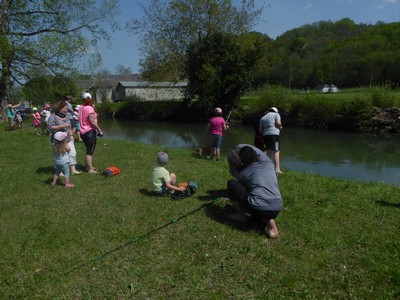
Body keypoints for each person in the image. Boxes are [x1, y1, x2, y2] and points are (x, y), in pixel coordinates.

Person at [227, 144, 283, 238]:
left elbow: (241, 189)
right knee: (258, 195)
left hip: (258, 207)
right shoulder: (269, 165)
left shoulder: (244, 174)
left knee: (232, 184)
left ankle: (241, 215)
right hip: (276, 208)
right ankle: (268, 221)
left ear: (242, 161)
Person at [47, 101, 81, 175]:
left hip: (68, 138)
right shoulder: (53, 116)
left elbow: (69, 127)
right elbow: (50, 128)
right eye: (64, 109)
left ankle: (73, 170)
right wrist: (61, 126)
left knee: (72, 153)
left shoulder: (67, 116)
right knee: (59, 155)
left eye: (66, 109)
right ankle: (60, 171)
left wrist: (72, 135)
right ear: (59, 108)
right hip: (58, 140)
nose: (66, 110)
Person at [79, 92, 103, 173]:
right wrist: (100, 130)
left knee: (88, 149)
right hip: (89, 132)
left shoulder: (81, 107)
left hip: (83, 132)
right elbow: (92, 121)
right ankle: (89, 169)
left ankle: (89, 166)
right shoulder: (89, 108)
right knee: (89, 151)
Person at [259, 107, 283, 173]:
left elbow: (260, 129)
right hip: (274, 135)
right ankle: (277, 169)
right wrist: (281, 126)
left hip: (265, 136)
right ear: (276, 111)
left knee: (268, 151)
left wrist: (265, 133)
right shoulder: (276, 115)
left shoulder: (263, 118)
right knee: (276, 151)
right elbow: (278, 123)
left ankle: (266, 167)